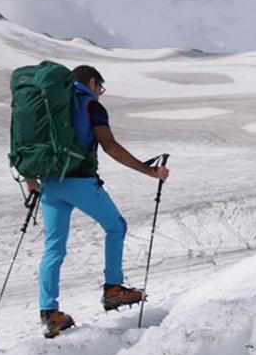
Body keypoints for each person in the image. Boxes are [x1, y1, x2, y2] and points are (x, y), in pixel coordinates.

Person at [27, 65, 171, 338]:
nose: (100, 94)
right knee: (116, 226)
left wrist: (30, 180)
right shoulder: (90, 105)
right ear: (92, 82)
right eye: (100, 88)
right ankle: (113, 289)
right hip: (79, 180)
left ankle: (50, 314)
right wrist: (149, 171)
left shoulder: (49, 107)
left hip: (49, 183)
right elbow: (110, 146)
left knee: (53, 248)